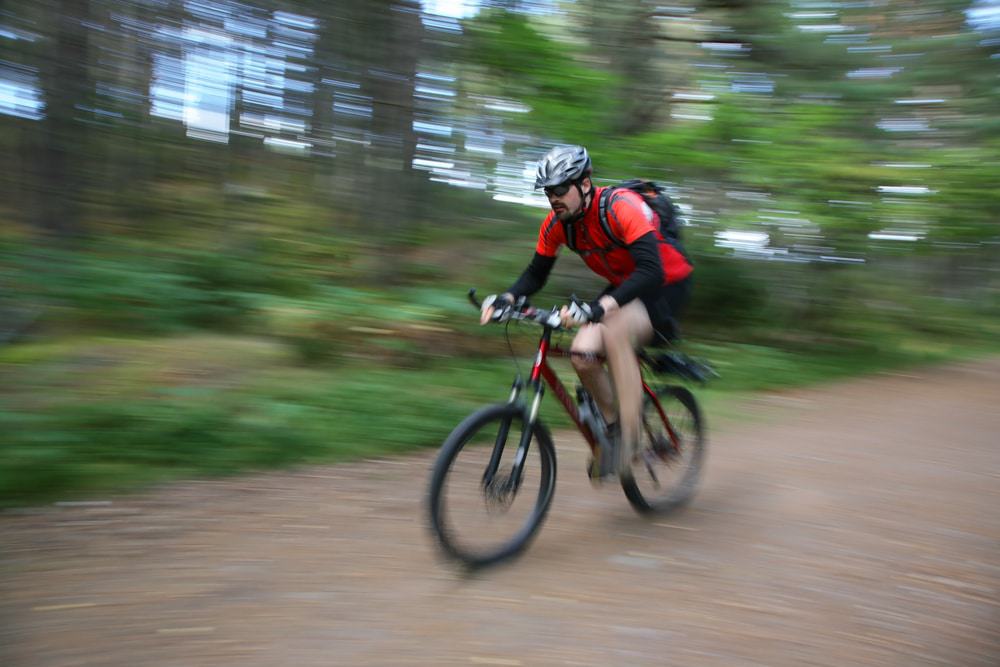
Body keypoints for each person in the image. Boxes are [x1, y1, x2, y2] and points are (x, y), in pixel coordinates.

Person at [480, 145, 693, 481]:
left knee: (615, 327)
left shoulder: (621, 207)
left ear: (585, 183)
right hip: (626, 286)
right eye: (548, 191)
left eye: (561, 189)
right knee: (582, 354)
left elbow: (651, 270)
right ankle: (614, 431)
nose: (554, 198)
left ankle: (632, 432)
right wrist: (506, 298)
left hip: (666, 284)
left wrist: (598, 308)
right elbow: (536, 274)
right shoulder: (557, 224)